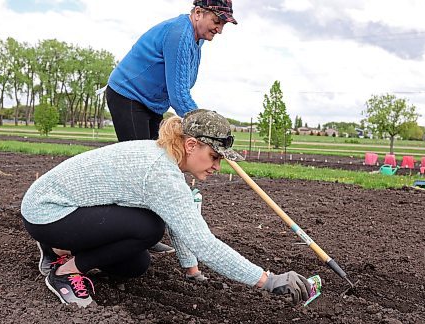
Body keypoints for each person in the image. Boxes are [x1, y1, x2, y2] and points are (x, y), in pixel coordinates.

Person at [21, 109, 312, 307]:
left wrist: (191, 269)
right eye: (213, 156)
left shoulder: (166, 159)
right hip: (48, 212)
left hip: (65, 210)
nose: (217, 166)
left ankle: (56, 250)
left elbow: (180, 221)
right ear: (191, 145)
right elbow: (203, 242)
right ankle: (65, 272)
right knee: (148, 228)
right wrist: (267, 280)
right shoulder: (161, 173)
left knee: (136, 265)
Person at [106, 1, 237, 253]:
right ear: (198, 13)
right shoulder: (178, 34)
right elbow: (178, 97)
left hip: (152, 104)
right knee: (139, 167)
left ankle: (144, 234)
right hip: (127, 96)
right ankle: (123, 233)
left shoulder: (196, 41)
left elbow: (182, 88)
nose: (219, 29)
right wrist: (208, 132)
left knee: (159, 164)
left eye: (223, 24)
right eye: (217, 21)